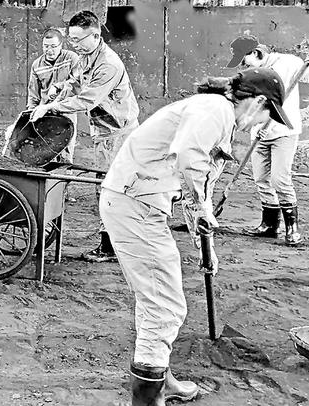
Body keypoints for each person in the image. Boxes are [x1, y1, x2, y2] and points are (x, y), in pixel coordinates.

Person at [98, 68, 292, 405]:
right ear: (258, 101)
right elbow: (189, 158)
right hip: (134, 204)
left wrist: (207, 248)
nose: (265, 124)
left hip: (138, 202)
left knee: (156, 298)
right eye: (268, 115)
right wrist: (201, 206)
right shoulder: (214, 109)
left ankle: (161, 378)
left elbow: (197, 190)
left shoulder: (217, 117)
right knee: (165, 306)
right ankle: (148, 398)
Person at [30, 10, 140, 263]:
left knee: (109, 188)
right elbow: (76, 83)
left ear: (96, 36)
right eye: (71, 39)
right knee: (110, 185)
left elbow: (87, 99)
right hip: (104, 130)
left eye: (78, 40)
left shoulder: (108, 65)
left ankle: (109, 247)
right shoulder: (86, 56)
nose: (74, 45)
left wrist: (52, 107)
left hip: (117, 133)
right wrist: (61, 88)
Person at [225, 34, 309, 246]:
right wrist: (253, 125)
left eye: (244, 60)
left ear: (256, 53)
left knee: (280, 179)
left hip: (284, 132)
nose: (243, 66)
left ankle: (292, 228)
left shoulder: (288, 62)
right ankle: (270, 225)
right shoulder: (251, 75)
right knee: (261, 179)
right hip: (259, 133)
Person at [1, 28, 81, 162]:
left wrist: (58, 87)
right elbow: (33, 95)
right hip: (44, 113)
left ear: (61, 45)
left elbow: (77, 82)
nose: (49, 50)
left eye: (53, 46)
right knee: (43, 148)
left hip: (66, 110)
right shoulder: (37, 65)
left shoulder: (71, 58)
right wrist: (30, 114)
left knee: (65, 148)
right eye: (46, 46)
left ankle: (64, 172)